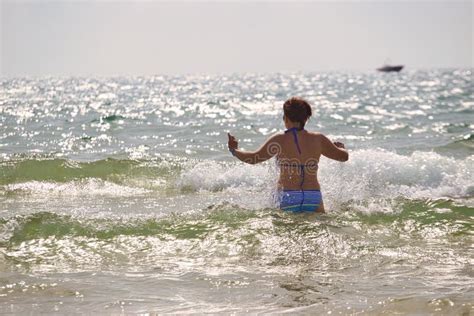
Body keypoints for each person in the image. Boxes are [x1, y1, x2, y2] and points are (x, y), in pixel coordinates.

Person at [227, 97, 348, 213]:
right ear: (306, 118)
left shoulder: (279, 140)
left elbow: (253, 158)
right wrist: (342, 148)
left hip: (289, 196)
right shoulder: (319, 139)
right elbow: (343, 157)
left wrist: (234, 150)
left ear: (286, 118)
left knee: (286, 233)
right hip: (313, 197)